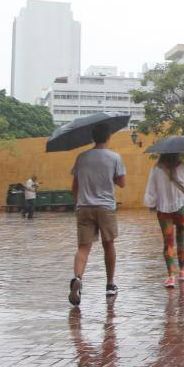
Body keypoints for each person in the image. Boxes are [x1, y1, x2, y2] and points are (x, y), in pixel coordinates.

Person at [68, 122, 126, 306]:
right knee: (108, 245)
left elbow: (74, 187)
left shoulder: (81, 157)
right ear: (108, 137)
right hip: (106, 207)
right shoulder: (114, 157)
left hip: (84, 206)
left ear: (92, 137)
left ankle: (78, 278)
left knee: (83, 248)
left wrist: (78, 203)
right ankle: (110, 285)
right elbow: (122, 182)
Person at [143, 153, 184, 288]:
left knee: (168, 242)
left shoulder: (156, 169)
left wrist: (152, 203)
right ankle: (183, 271)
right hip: (182, 209)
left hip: (163, 210)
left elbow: (151, 191)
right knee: (181, 237)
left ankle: (170, 276)